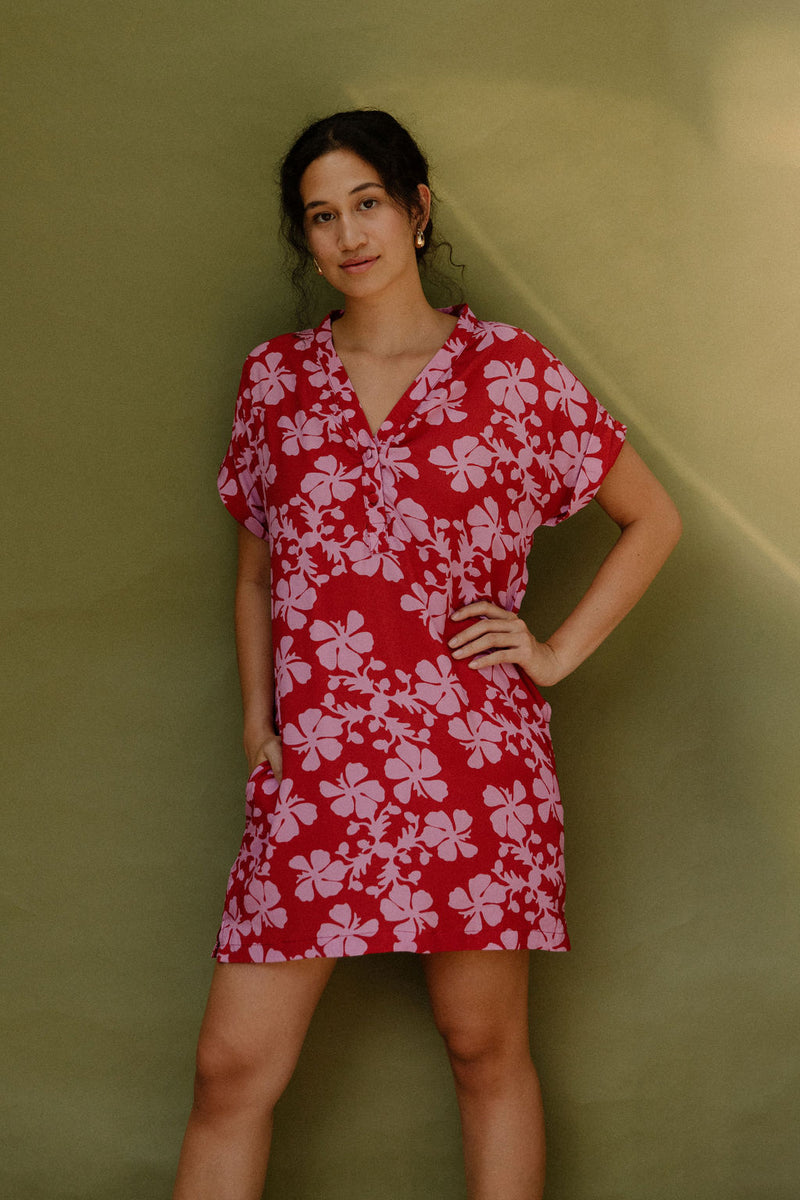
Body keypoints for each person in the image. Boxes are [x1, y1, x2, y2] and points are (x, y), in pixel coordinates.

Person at [173, 109, 682, 1200]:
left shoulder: (510, 371)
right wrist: (260, 725)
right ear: (303, 239)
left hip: (469, 766)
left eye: (366, 203)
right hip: (315, 770)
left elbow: (654, 520)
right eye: (320, 216)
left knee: (480, 1049)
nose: (348, 233)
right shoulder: (274, 383)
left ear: (417, 208)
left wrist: (550, 653)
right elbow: (257, 576)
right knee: (230, 1071)